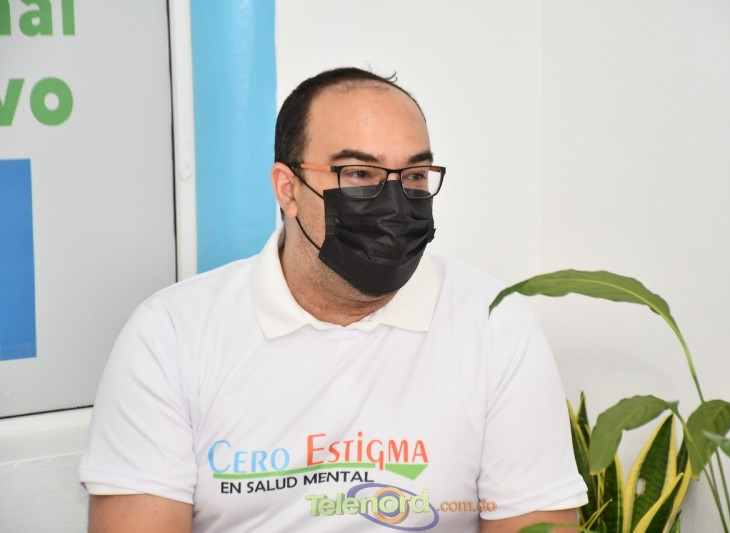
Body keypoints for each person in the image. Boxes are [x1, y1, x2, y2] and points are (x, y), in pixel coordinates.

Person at [80, 67, 587, 532]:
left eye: (414, 176)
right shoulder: (172, 335)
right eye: (359, 174)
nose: (395, 202)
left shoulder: (494, 323)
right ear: (288, 189)